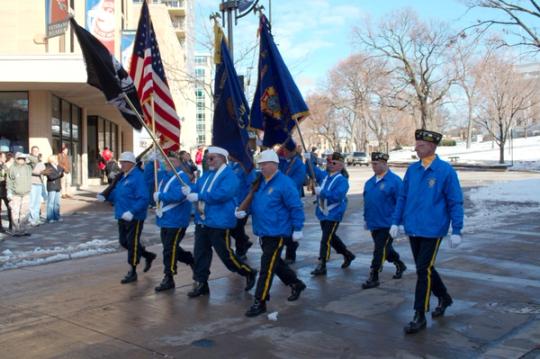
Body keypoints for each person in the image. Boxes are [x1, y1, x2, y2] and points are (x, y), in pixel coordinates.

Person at [391, 129, 464, 334]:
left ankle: (419, 314)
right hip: (414, 228)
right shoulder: (413, 170)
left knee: (423, 270)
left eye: (420, 145)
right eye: (416, 144)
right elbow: (402, 198)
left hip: (433, 229)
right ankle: (444, 297)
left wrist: (457, 229)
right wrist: (396, 222)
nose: (416, 148)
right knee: (426, 268)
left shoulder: (445, 171)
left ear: (432, 146)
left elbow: (455, 201)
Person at [236, 149, 306, 317]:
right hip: (264, 231)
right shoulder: (260, 182)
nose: (262, 167)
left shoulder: (284, 183)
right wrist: (246, 211)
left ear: (275, 164)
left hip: (278, 232)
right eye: (260, 164)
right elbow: (257, 203)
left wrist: (297, 228)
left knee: (266, 267)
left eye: (265, 164)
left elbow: (295, 207)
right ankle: (296, 283)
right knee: (275, 263)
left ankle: (260, 301)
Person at [183, 146, 257, 298]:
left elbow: (223, 194)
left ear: (222, 158)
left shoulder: (229, 176)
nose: (208, 161)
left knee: (226, 255)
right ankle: (201, 283)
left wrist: (199, 196)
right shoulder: (206, 175)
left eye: (212, 158)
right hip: (203, 220)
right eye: (207, 158)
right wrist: (188, 189)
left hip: (220, 221)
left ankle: (248, 272)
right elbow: (197, 187)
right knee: (200, 254)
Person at [97, 151, 157, 284]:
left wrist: (132, 211)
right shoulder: (123, 177)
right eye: (121, 162)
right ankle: (148, 255)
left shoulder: (137, 177)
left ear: (131, 164)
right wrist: (106, 197)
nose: (122, 164)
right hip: (122, 214)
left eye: (124, 162)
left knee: (132, 243)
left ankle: (133, 270)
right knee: (123, 242)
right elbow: (118, 194)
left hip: (134, 216)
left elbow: (144, 198)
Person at [306, 152, 356, 276]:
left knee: (325, 239)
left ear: (341, 166)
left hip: (334, 213)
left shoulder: (342, 181)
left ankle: (322, 264)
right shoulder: (324, 176)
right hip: (323, 213)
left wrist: (321, 192)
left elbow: (337, 197)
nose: (331, 164)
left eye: (334, 163)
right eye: (329, 162)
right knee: (331, 238)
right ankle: (347, 254)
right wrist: (308, 159)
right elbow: (312, 170)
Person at [362, 152, 407, 289]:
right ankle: (400, 264)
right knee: (385, 250)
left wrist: (400, 223)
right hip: (374, 222)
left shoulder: (394, 181)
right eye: (372, 164)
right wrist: (366, 218)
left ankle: (374, 275)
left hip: (388, 223)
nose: (373, 167)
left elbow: (402, 203)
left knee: (379, 250)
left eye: (376, 164)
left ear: (384, 163)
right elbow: (367, 202)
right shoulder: (370, 182)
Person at [153, 156, 194, 292]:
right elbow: (148, 177)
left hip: (177, 220)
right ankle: (191, 260)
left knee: (169, 249)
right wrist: (151, 162)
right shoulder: (164, 176)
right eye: (165, 161)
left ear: (179, 164)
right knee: (171, 247)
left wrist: (160, 196)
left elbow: (178, 196)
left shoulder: (182, 178)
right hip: (165, 219)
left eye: (171, 161)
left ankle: (169, 277)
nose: (167, 163)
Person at [278, 139, 307, 264]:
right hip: (281, 197)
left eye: (287, 150)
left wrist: (284, 188)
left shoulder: (299, 164)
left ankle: (291, 253)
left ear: (293, 151)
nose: (284, 152)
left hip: (292, 196)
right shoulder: (282, 162)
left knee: (290, 225)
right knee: (283, 223)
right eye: (283, 150)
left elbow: (297, 181)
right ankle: (289, 245)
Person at [229, 157, 256, 260]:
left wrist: (246, 203)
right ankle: (245, 241)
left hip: (243, 203)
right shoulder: (230, 166)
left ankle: (241, 252)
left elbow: (252, 186)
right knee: (231, 228)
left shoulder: (246, 167)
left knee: (238, 227)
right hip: (232, 203)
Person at [6, 153, 33, 236]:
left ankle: (23, 230)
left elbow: (35, 161)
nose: (21, 160)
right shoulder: (12, 168)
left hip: (26, 193)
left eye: (23, 158)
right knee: (15, 212)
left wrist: (28, 156)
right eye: (20, 158)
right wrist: (9, 192)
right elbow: (9, 181)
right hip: (15, 194)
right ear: (16, 159)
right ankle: (16, 231)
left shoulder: (28, 167)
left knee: (24, 212)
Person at [27, 146, 47, 226]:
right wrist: (38, 172)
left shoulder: (40, 161)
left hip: (39, 183)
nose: (35, 152)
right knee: (32, 202)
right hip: (32, 183)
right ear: (31, 151)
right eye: (34, 150)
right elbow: (29, 170)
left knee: (37, 202)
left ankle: (36, 218)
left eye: (37, 151)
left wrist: (45, 172)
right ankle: (31, 219)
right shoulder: (29, 160)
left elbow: (43, 170)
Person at [43, 155, 64, 223]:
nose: (57, 160)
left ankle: (56, 216)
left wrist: (59, 169)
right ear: (52, 160)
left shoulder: (57, 166)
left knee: (57, 202)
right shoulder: (48, 166)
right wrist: (59, 174)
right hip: (52, 186)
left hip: (58, 186)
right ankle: (50, 217)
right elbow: (50, 177)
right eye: (55, 159)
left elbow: (62, 171)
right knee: (51, 202)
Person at [0, 152, 13, 233]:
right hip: (0, 187)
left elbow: (9, 175)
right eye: (4, 157)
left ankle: (12, 224)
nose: (5, 159)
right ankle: (0, 227)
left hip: (5, 188)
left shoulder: (4, 166)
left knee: (10, 206)